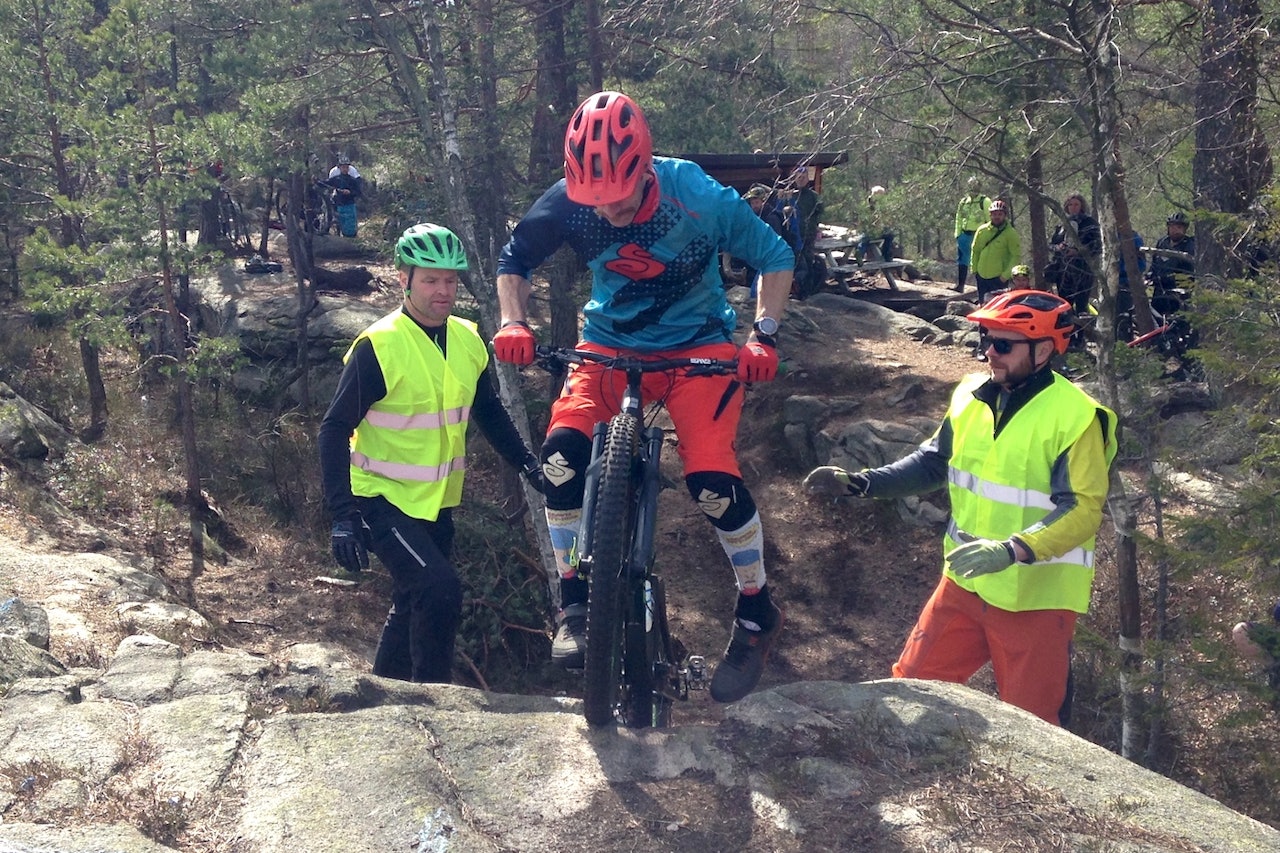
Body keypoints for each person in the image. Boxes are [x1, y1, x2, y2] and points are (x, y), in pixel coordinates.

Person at [492, 90, 792, 704]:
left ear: (646, 167)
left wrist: (763, 333)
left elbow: (775, 255)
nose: (609, 214)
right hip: (605, 344)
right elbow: (515, 257)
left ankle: (758, 611)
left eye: (621, 199)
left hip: (697, 350)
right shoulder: (569, 201)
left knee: (711, 482)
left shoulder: (697, 195)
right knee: (558, 463)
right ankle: (573, 603)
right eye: (593, 202)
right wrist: (514, 321)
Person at [803, 290, 1117, 726]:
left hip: (1035, 599)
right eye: (986, 340)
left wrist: (1011, 550)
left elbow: (1083, 511)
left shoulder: (1076, 417)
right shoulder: (970, 393)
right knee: (908, 688)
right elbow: (933, 463)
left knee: (1034, 728)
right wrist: (862, 483)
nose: (989, 352)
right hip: (964, 585)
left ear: (1043, 349)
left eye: (1003, 344)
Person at [318, 223, 544, 684]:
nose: (444, 291)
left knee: (411, 601)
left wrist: (528, 465)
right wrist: (342, 516)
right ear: (404, 280)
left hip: (436, 502)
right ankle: (436, 700)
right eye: (430, 279)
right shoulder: (379, 346)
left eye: (451, 280)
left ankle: (384, 699)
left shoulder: (466, 338)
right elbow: (333, 429)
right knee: (439, 590)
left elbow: (489, 412)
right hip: (380, 499)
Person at [1045, 193, 1102, 317]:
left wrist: (1079, 252)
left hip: (1083, 271)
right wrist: (1059, 248)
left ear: (1082, 206)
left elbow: (1098, 246)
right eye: (1070, 205)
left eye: (1076, 204)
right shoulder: (1062, 225)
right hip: (1063, 273)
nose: (1073, 207)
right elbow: (1051, 245)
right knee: (1065, 306)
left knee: (1082, 307)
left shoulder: (1090, 223)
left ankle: (1081, 335)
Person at [970, 199, 1020, 304]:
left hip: (998, 279)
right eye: (994, 214)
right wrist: (974, 269)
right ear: (990, 215)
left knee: (997, 308)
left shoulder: (1010, 233)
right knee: (983, 306)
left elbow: (1015, 256)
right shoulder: (982, 230)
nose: (996, 217)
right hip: (981, 276)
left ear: (1005, 215)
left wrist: (1005, 276)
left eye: (999, 214)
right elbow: (975, 250)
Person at [790, 166, 826, 297]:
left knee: (809, 261)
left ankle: (808, 290)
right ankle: (797, 289)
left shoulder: (813, 196)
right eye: (798, 177)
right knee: (798, 263)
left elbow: (820, 212)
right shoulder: (791, 195)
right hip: (794, 235)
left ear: (807, 179)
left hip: (809, 234)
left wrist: (816, 227)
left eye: (803, 177)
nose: (801, 179)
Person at [954, 177, 993, 293]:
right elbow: (959, 218)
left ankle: (981, 287)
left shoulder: (985, 201)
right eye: (971, 185)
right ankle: (960, 285)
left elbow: (990, 220)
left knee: (979, 262)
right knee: (962, 260)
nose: (973, 188)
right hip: (964, 236)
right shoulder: (963, 202)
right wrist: (958, 234)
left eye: (975, 185)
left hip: (979, 235)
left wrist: (988, 236)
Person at [1149, 212, 1196, 295]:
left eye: (1179, 227)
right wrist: (1149, 277)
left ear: (1185, 229)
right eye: (1172, 227)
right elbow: (1154, 265)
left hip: (1178, 292)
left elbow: (1188, 271)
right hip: (1159, 290)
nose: (1175, 230)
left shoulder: (1189, 245)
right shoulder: (1162, 242)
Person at [327, 155, 363, 237]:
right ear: (339, 168)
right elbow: (325, 183)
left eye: (347, 167)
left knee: (351, 227)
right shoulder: (335, 179)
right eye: (343, 167)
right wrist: (315, 180)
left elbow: (358, 192)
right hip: (340, 205)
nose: (345, 169)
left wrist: (350, 192)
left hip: (350, 206)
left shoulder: (353, 180)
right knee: (341, 223)